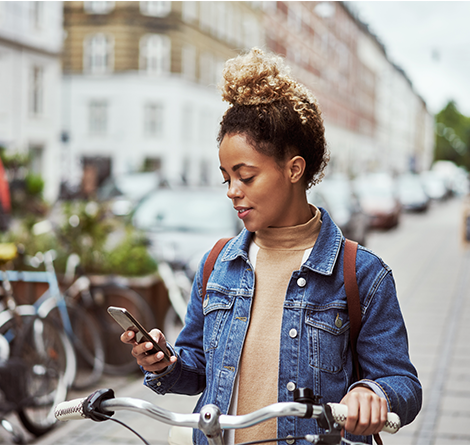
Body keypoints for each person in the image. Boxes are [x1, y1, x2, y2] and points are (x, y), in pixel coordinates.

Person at [122, 48, 422, 445]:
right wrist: (164, 363)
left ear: (294, 169)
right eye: (226, 176)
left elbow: (402, 382)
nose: (232, 191)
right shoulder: (218, 263)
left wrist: (373, 393)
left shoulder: (361, 273)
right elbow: (199, 371)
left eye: (245, 176)